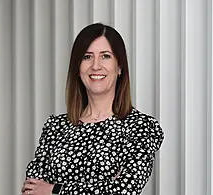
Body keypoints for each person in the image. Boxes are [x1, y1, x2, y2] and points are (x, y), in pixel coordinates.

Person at [21, 23, 164, 195]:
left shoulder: (140, 127)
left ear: (119, 67)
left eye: (105, 56)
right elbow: (32, 190)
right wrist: (104, 186)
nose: (95, 66)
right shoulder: (56, 127)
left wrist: (54, 190)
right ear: (77, 68)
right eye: (87, 57)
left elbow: (124, 190)